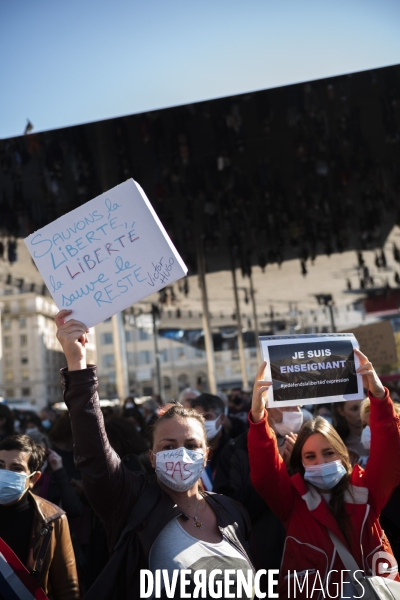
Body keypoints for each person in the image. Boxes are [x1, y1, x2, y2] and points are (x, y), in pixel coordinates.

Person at [55, 309, 254, 600]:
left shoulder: (232, 511)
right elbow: (94, 454)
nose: (180, 454)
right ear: (151, 457)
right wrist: (78, 365)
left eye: (191, 445)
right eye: (168, 446)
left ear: (207, 454)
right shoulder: (133, 503)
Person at [248, 351, 400, 599]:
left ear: (342, 454)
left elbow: (391, 453)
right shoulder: (293, 502)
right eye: (310, 457)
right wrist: (257, 416)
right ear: (300, 462)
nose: (321, 461)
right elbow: (265, 475)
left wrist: (379, 396)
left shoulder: (366, 490)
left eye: (328, 453)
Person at [0, 434, 80, 599]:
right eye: (0, 465)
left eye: (16, 468)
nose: (5, 473)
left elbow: (67, 588)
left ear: (33, 479)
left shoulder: (53, 519)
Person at [191, 393, 230, 489]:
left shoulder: (235, 451)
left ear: (221, 419)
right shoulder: (188, 453)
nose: (202, 422)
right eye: (197, 418)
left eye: (207, 417)